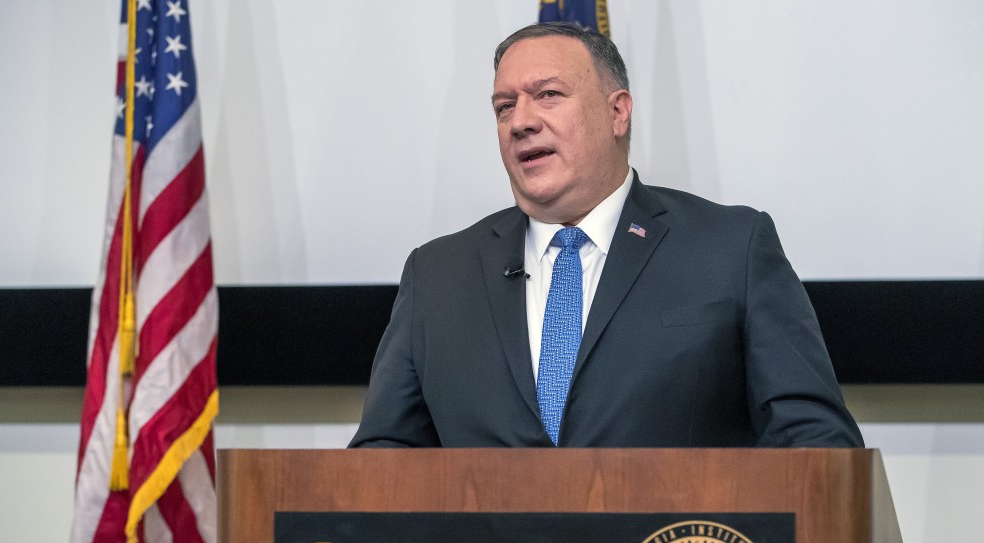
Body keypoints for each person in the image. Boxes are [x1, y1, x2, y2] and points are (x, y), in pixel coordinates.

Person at [349, 22, 863, 449]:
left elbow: (816, 442)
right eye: (504, 106)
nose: (520, 121)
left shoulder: (730, 248)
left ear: (617, 112)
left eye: (548, 95)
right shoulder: (437, 276)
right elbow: (382, 462)